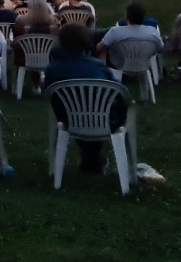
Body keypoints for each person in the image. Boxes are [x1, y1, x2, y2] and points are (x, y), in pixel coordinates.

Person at [44, 23, 126, 174]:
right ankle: (93, 159)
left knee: (84, 109)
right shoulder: (97, 66)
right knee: (96, 108)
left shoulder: (53, 69)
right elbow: (120, 91)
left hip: (70, 119)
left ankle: (91, 159)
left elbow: (51, 95)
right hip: (104, 119)